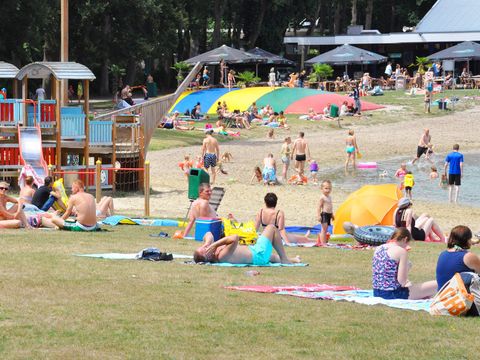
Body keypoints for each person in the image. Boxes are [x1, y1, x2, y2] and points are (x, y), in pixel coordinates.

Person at [372, 227, 437, 300]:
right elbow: (402, 281)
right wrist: (407, 267)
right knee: (437, 284)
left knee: (414, 287)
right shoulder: (401, 251)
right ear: (405, 239)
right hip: (392, 294)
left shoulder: (379, 248)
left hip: (376, 292)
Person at [193, 224, 300, 265]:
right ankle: (285, 259)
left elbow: (208, 234)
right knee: (271, 228)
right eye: (204, 249)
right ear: (207, 257)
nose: (206, 247)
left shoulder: (213, 249)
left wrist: (208, 243)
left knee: (272, 257)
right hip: (258, 255)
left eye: (203, 246)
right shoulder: (221, 256)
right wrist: (215, 245)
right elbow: (235, 238)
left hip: (255, 253)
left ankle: (294, 260)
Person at [436, 225, 480, 292]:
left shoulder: (443, 254)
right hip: (461, 299)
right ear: (467, 240)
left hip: (443, 297)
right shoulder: (468, 257)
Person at [317, 180, 334, 246]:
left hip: (329, 214)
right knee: (324, 229)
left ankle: (324, 241)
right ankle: (323, 243)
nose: (328, 190)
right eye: (326, 188)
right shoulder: (322, 197)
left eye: (329, 188)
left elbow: (330, 206)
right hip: (324, 214)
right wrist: (318, 215)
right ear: (321, 189)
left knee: (326, 229)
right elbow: (319, 207)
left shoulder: (329, 197)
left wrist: (332, 214)